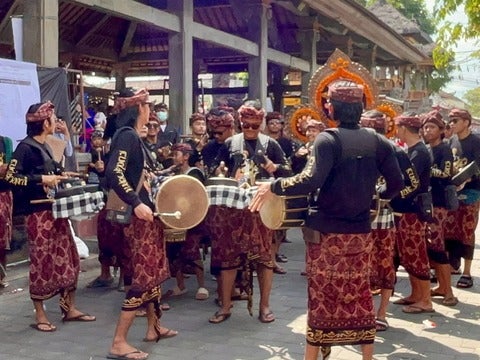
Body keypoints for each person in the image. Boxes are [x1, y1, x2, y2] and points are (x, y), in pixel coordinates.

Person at [249, 82, 403, 360]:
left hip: (326, 233)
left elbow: (311, 180)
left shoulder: (327, 139)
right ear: (360, 107)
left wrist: (275, 186)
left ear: (331, 107)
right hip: (360, 233)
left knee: (323, 296)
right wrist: (375, 200)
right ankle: (367, 356)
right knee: (359, 292)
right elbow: (396, 182)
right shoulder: (379, 141)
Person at [5, 101, 96, 332]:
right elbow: (11, 178)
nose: (56, 122)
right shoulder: (24, 148)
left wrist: (61, 175)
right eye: (53, 119)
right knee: (42, 262)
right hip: (37, 214)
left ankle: (69, 308)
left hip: (56, 211)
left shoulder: (45, 145)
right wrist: (40, 180)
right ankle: (40, 314)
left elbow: (52, 170)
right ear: (45, 122)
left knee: (68, 258)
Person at [105, 89, 175, 360]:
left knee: (154, 274)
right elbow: (114, 172)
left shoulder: (137, 138)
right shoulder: (127, 135)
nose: (151, 110)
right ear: (138, 109)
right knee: (143, 278)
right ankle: (119, 342)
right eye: (148, 105)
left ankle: (153, 328)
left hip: (148, 218)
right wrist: (136, 202)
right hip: (139, 218)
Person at [208, 100, 292, 325]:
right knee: (227, 257)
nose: (251, 130)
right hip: (233, 211)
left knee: (265, 258)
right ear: (240, 123)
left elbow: (288, 171)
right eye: (246, 126)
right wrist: (224, 169)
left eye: (255, 126)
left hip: (262, 210)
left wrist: (273, 167)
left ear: (262, 124)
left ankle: (264, 307)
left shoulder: (271, 144)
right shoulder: (230, 143)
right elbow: (214, 169)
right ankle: (225, 306)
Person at [359, 109, 419, 331]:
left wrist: (388, 199)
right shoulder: (355, 150)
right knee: (358, 266)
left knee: (384, 266)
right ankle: (361, 311)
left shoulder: (395, 151)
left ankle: (381, 313)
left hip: (383, 218)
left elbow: (411, 184)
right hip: (357, 219)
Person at [390, 112, 434, 314]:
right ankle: (416, 294)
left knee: (416, 254)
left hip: (414, 211)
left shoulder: (419, 153)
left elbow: (412, 184)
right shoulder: (414, 150)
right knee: (407, 254)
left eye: (397, 127)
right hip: (407, 211)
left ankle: (425, 300)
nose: (396, 131)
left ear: (404, 129)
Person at [163, 142, 209, 301]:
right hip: (177, 219)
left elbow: (196, 196)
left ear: (186, 156)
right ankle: (180, 285)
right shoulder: (173, 174)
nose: (174, 158)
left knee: (192, 250)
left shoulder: (194, 173)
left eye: (176, 154)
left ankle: (202, 285)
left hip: (193, 220)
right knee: (173, 251)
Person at [421, 110, 458, 306]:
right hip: (429, 201)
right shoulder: (426, 149)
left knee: (437, 244)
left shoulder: (444, 149)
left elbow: (445, 172)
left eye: (432, 127)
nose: (428, 130)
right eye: (426, 127)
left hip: (440, 202)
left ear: (441, 130)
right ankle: (443, 287)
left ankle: (449, 291)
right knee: (431, 244)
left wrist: (424, 169)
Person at [444, 108, 480, 289]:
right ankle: (453, 265)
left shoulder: (477, 141)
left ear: (466, 122)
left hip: (472, 192)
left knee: (467, 231)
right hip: (454, 192)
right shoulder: (452, 140)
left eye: (455, 120)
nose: (452, 123)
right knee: (450, 229)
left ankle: (467, 272)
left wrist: (468, 178)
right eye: (450, 120)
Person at [0, 133, 13, 288]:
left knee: (3, 238)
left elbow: (12, 169)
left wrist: (7, 169)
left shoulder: (5, 142)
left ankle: (1, 276)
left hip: (4, 193)